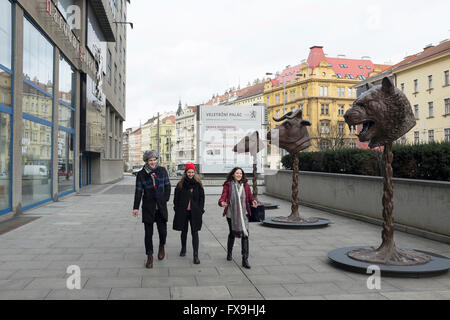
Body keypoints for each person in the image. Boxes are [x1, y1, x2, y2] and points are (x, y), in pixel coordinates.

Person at [133, 150, 171, 268]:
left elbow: (167, 186)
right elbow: (138, 192)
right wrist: (136, 207)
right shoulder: (141, 174)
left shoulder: (162, 171)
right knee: (148, 234)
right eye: (150, 160)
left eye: (154, 160)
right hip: (148, 208)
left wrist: (164, 199)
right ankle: (149, 256)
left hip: (161, 207)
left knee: (163, 231)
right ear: (146, 161)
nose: (153, 162)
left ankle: (161, 246)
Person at [218, 167, 257, 269]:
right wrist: (222, 202)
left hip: (243, 214)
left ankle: (245, 259)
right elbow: (224, 195)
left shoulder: (246, 185)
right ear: (233, 174)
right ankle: (229, 253)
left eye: (241, 173)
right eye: (237, 173)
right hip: (231, 214)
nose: (239, 175)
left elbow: (249, 196)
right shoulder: (228, 185)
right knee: (232, 233)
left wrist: (253, 201)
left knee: (245, 234)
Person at [173, 162, 205, 264]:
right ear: (185, 172)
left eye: (192, 172)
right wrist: (177, 209)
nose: (190, 174)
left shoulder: (198, 184)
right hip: (183, 212)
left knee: (195, 232)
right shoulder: (180, 184)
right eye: (188, 172)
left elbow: (202, 198)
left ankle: (196, 255)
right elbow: (176, 198)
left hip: (195, 213)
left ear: (194, 172)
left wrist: (200, 210)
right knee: (184, 231)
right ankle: (183, 248)